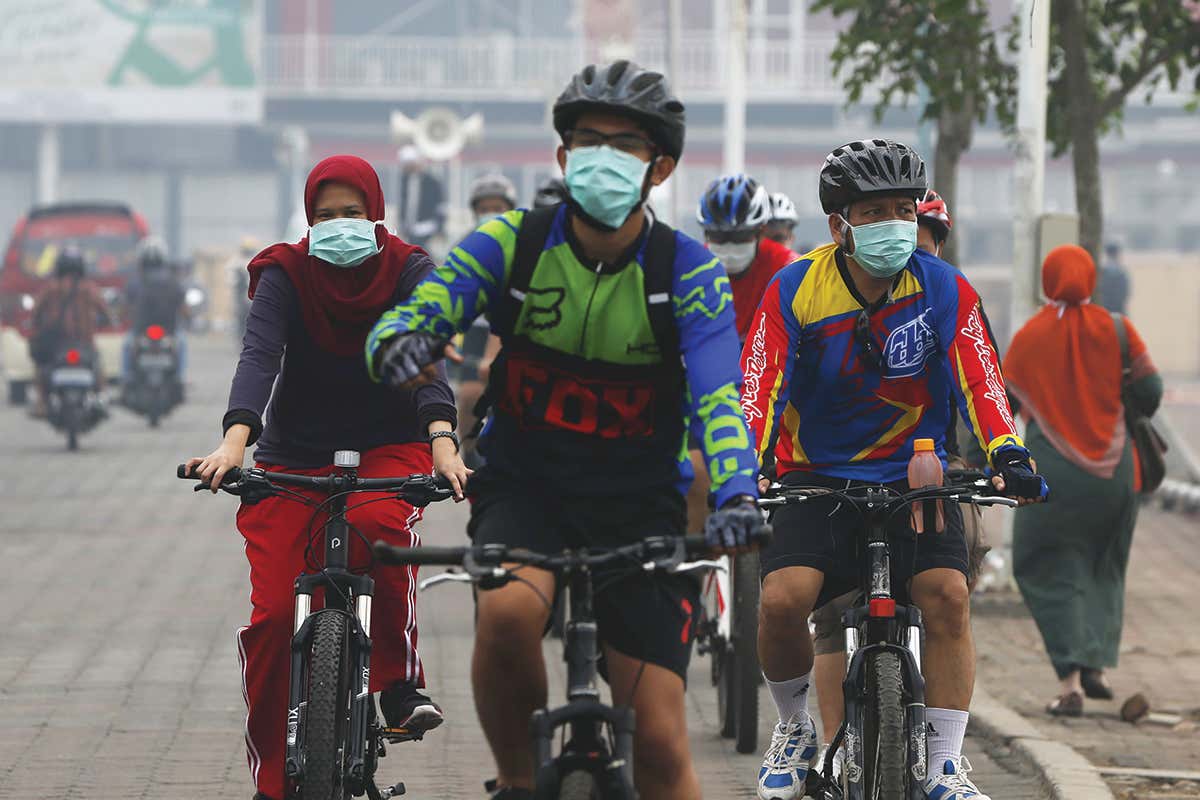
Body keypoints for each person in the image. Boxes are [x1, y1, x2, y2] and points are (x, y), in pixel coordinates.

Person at [365, 60, 764, 800]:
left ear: (661, 166)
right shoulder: (508, 244)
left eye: (626, 144)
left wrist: (738, 493)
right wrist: (402, 342)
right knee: (511, 612)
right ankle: (518, 781)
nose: (604, 156)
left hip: (643, 500)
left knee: (661, 740)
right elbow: (424, 309)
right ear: (562, 156)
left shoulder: (691, 273)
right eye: (588, 140)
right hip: (526, 486)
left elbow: (719, 399)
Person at [741, 139, 1047, 800]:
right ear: (839, 225)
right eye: (874, 211)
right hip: (813, 479)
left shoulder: (942, 286)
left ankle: (943, 763)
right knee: (781, 601)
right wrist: (747, 467)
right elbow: (758, 390)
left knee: (948, 597)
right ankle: (794, 729)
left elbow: (981, 381)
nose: (893, 225)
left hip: (917, 482)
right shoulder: (795, 288)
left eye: (903, 210)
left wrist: (1009, 454)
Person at [183, 155, 468, 800]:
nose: (340, 225)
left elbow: (424, 360)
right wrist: (234, 444)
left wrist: (443, 441)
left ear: (377, 213)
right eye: (326, 216)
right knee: (273, 620)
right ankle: (274, 785)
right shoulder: (284, 272)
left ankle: (396, 683)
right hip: (292, 457)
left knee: (381, 530)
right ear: (308, 219)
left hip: (390, 448)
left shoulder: (409, 269)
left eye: (353, 213)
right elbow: (260, 356)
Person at [806, 185, 994, 780]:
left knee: (955, 580)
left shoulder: (950, 297)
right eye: (882, 222)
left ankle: (944, 761)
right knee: (830, 608)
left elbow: (984, 389)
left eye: (920, 232)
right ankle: (836, 744)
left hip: (940, 473)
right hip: (841, 477)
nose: (913, 247)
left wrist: (995, 458)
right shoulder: (827, 300)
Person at [1004, 244, 1162, 717]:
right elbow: (1151, 393)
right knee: (1103, 564)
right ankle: (1097, 666)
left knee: (1042, 563)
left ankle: (1070, 681)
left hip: (1050, 476)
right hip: (1116, 474)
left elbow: (998, 403)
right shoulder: (1118, 328)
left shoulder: (1030, 336)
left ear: (1047, 280)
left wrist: (979, 462)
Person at [686, 173, 796, 531]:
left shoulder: (788, 268)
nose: (728, 246)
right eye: (719, 238)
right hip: (708, 391)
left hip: (770, 391)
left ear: (760, 230)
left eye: (738, 238)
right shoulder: (690, 269)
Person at [456, 173, 520, 461]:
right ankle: (469, 452)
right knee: (470, 393)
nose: (491, 214)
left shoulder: (526, 245)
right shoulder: (466, 245)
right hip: (477, 330)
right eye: (484, 209)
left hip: (515, 331)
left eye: (498, 207)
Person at [28, 247, 110, 418]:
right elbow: (105, 311)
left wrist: (34, 324)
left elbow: (35, 313)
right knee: (98, 366)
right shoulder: (89, 289)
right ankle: (101, 398)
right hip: (84, 343)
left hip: (57, 345)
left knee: (41, 368)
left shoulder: (50, 289)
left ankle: (41, 402)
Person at [121, 236, 189, 389]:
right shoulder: (173, 282)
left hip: (141, 332)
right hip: (169, 331)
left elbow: (125, 309)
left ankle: (126, 377)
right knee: (182, 343)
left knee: (127, 346)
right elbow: (184, 309)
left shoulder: (134, 283)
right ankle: (180, 376)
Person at [396, 145, 446, 249]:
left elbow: (440, 206)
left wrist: (440, 227)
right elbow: (404, 204)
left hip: (428, 228)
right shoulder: (405, 180)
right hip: (410, 229)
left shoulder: (431, 181)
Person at [1097, 241, 1130, 314]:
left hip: (1104, 310)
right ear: (1117, 253)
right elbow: (1126, 292)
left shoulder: (1102, 271)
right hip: (1119, 310)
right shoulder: (1121, 271)